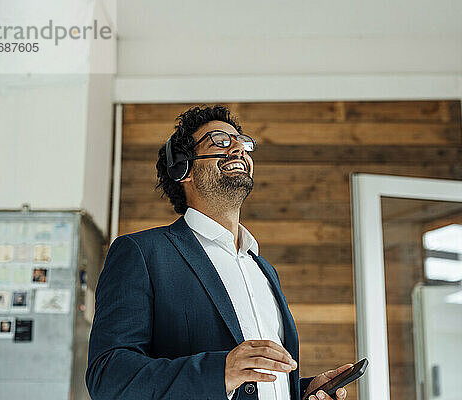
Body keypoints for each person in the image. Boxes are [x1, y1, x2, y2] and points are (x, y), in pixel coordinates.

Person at [86, 105, 352, 400]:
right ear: (182, 168)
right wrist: (220, 372)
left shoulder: (263, 269)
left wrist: (299, 392)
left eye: (243, 142)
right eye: (220, 141)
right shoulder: (143, 253)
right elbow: (108, 376)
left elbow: (250, 385)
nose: (239, 148)